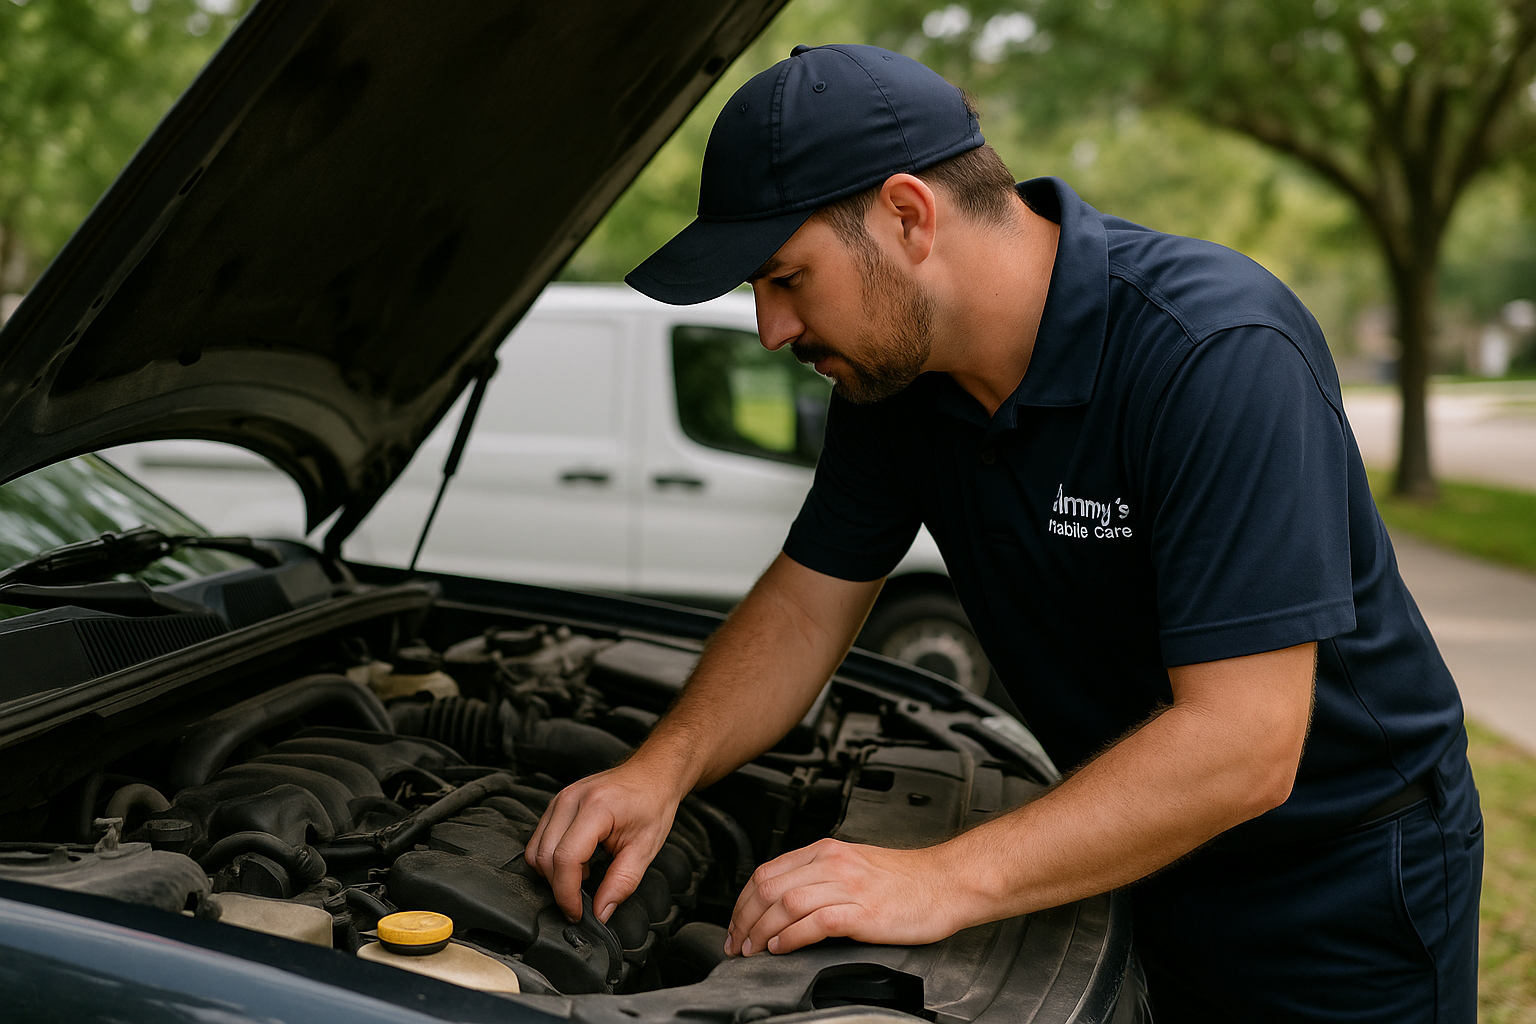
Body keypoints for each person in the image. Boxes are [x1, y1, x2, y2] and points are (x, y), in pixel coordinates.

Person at [526, 43, 1481, 1021]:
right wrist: (661, 769)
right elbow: (807, 606)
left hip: (1336, 886)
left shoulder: (1214, 352)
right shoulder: (894, 385)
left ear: (908, 216)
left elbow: (1244, 743)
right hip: (1124, 850)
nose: (772, 328)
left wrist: (937, 879)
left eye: (786, 278)